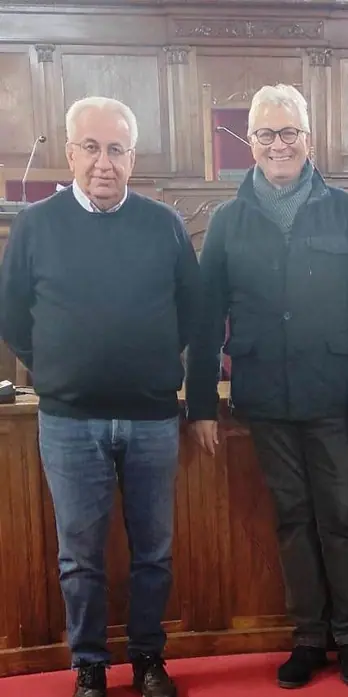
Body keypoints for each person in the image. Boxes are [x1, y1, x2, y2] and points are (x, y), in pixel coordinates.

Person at [185, 83, 348, 689]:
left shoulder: (344, 210)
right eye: (267, 134)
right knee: (293, 519)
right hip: (266, 398)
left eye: (289, 132)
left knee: (341, 518)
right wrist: (201, 404)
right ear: (251, 142)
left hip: (332, 394)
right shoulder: (227, 220)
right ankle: (309, 638)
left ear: (308, 139)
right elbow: (205, 318)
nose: (279, 144)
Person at [0, 96, 201, 697]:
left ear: (132, 158)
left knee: (154, 552)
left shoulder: (164, 224)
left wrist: (155, 363)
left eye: (116, 149)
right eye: (91, 148)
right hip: (69, 421)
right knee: (79, 556)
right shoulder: (35, 225)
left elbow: (190, 310)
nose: (103, 162)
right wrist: (56, 367)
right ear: (70, 153)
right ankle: (89, 663)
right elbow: (12, 315)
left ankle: (148, 659)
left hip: (151, 418)